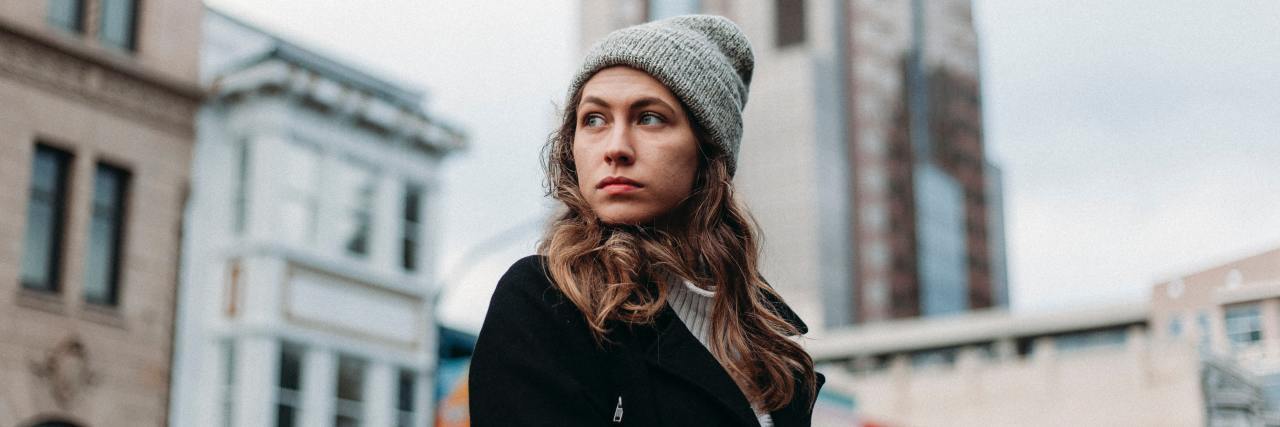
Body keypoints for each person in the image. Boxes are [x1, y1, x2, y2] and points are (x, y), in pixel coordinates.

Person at [469, 15, 823, 426]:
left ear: (708, 151)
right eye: (594, 120)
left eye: (649, 117)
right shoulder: (546, 300)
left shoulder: (773, 351)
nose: (615, 148)